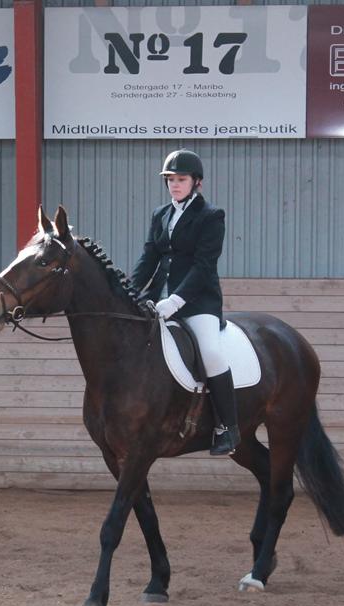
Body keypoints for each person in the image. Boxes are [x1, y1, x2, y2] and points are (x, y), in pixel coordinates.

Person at [130, 149, 239, 455]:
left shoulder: (211, 216)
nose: (175, 185)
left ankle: (227, 427)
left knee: (211, 353)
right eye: (171, 180)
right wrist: (129, 290)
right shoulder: (160, 214)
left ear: (196, 183)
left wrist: (176, 301)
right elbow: (149, 257)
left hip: (197, 301)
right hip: (156, 298)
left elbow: (204, 267)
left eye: (181, 179)